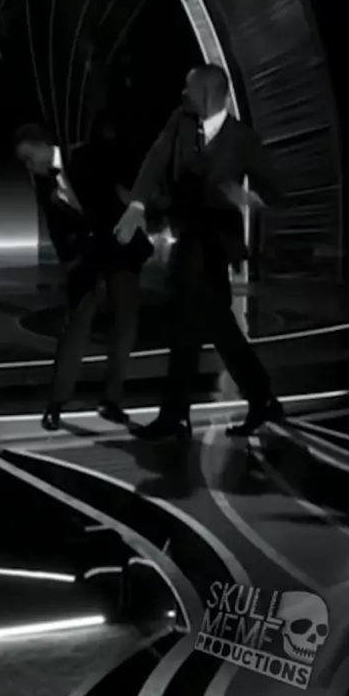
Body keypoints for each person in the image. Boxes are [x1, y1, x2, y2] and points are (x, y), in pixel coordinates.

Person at [113, 64, 285, 440]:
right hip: (189, 238)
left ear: (208, 92)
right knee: (212, 325)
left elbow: (276, 190)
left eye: (188, 88)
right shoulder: (181, 121)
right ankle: (260, 399)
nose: (182, 93)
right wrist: (137, 205)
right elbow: (156, 159)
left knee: (192, 324)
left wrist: (247, 196)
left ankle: (179, 416)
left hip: (215, 243)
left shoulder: (242, 138)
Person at [15, 122, 153, 431]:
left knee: (124, 325)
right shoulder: (43, 184)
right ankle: (56, 404)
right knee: (75, 326)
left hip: (119, 246)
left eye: (29, 158)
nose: (28, 166)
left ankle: (112, 401)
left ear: (43, 146)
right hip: (86, 257)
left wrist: (136, 209)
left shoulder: (86, 155)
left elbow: (123, 181)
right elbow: (55, 227)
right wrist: (70, 261)